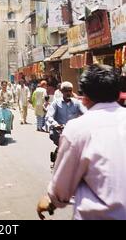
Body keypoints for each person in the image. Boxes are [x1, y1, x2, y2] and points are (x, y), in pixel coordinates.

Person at [37, 65, 126, 221]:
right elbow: (49, 117)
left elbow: (61, 189)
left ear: (84, 96)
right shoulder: (57, 104)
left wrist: (52, 199)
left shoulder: (77, 128)